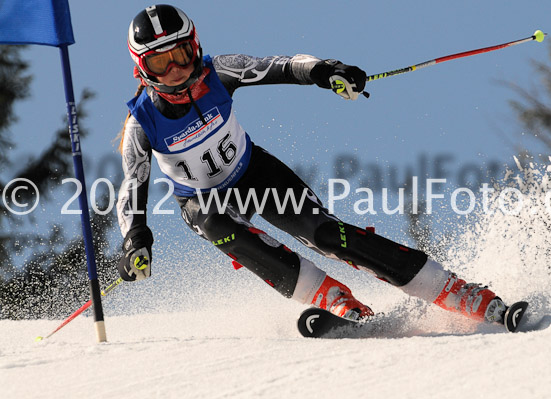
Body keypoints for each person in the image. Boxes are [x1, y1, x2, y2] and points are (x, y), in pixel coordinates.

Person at [116, 4, 508, 326]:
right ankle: (331, 297)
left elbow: (282, 65)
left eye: (181, 55)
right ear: (142, 70)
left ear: (195, 47)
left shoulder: (220, 70)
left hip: (253, 175)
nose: (177, 71)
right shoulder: (142, 122)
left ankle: (454, 290)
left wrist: (327, 71)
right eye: (161, 64)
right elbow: (132, 187)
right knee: (213, 222)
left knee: (323, 235)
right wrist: (135, 237)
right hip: (204, 201)